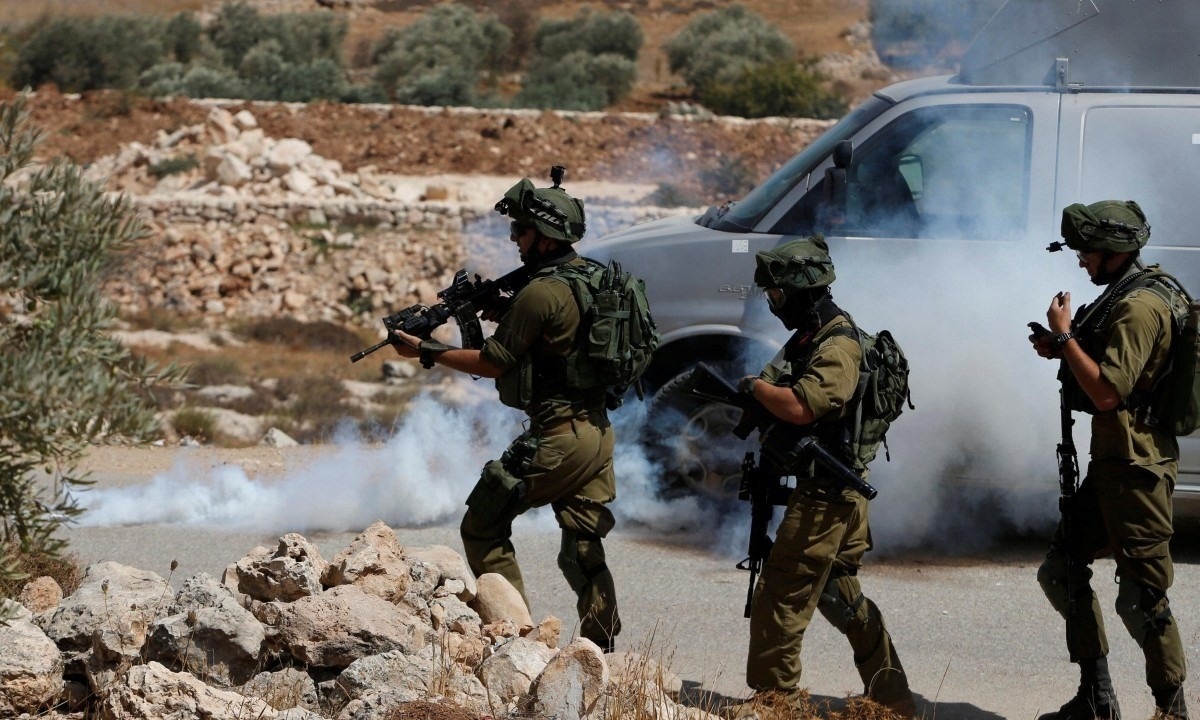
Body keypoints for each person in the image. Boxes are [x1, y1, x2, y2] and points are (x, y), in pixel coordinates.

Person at [390, 172, 621, 652]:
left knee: (482, 525)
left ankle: (517, 643)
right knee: (582, 547)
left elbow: (493, 363)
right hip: (597, 431)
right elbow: (561, 336)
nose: (514, 240)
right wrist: (502, 310)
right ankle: (599, 651)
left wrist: (428, 350)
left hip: (556, 436)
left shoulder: (539, 292)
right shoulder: (591, 277)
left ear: (546, 235)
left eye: (521, 231)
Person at [734, 235, 915, 717]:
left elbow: (802, 405)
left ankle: (777, 700)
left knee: (783, 591)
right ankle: (893, 696)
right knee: (837, 593)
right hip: (834, 495)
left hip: (828, 495)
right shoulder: (814, 334)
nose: (773, 305)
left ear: (803, 291)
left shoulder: (838, 345)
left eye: (777, 295)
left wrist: (755, 389)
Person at [1030, 200, 1188, 720]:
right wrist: (1062, 346)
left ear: (1113, 252)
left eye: (1086, 252)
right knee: (1060, 569)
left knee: (1143, 599)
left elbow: (1107, 393)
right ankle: (1096, 699)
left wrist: (1067, 336)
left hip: (1137, 470)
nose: (1080, 262)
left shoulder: (1140, 306)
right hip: (1113, 465)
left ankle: (1172, 711)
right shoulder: (1125, 292)